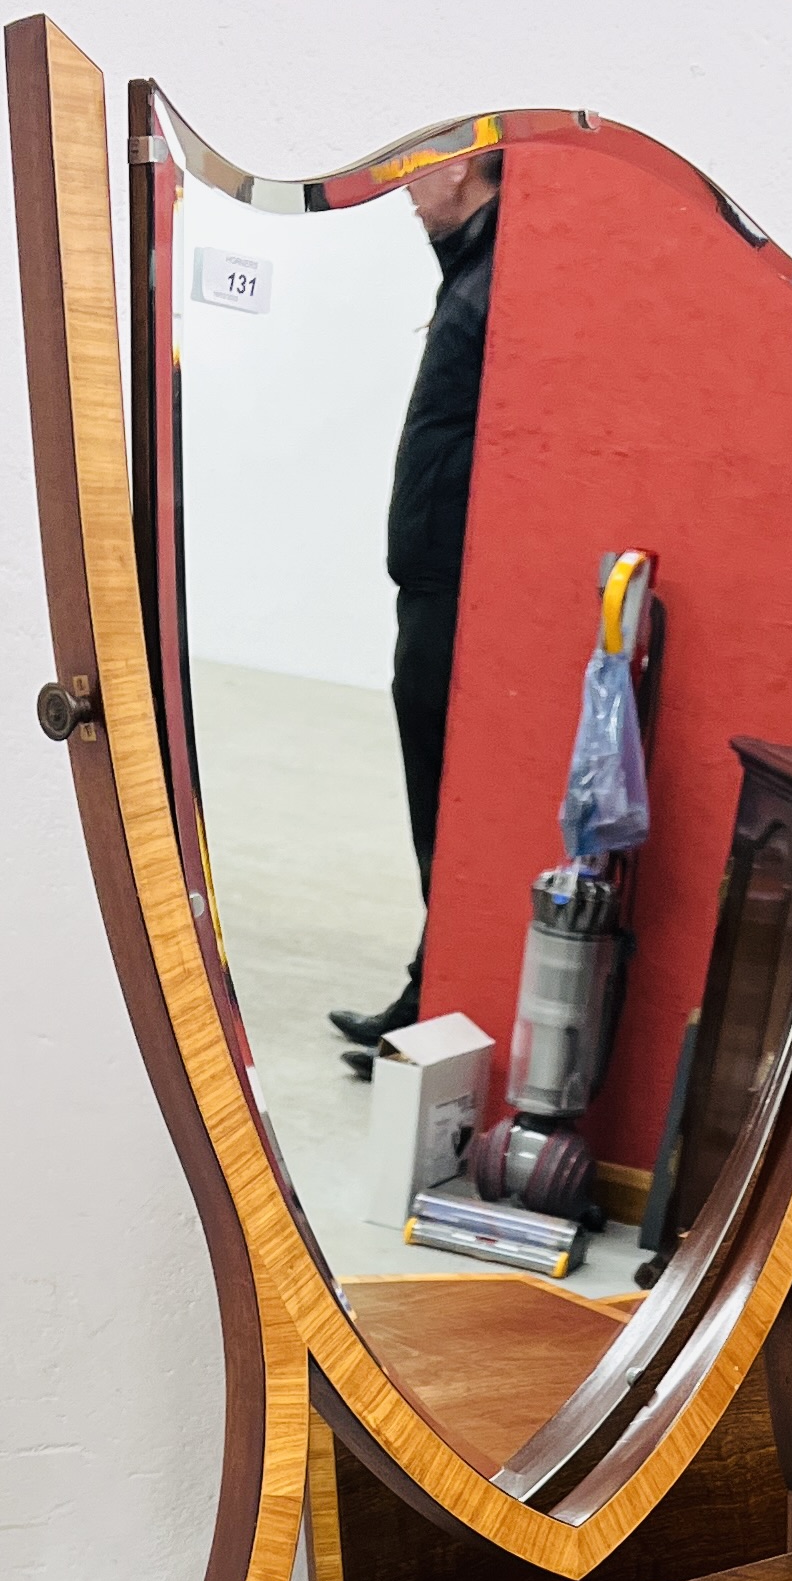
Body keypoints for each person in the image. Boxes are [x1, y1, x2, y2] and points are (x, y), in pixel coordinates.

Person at [329, 142, 502, 1062]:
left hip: (451, 589)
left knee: (443, 798)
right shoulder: (472, 272)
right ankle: (424, 986)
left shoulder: (495, 278)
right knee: (432, 795)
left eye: (424, 167)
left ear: (475, 171)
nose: (406, 186)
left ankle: (430, 999)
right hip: (433, 583)